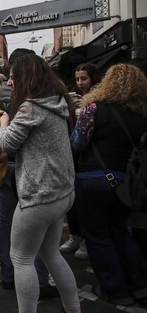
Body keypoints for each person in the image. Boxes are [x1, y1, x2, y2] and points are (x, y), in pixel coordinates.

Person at [0, 54, 81, 313]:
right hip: (62, 193)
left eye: (13, 77)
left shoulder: (30, 108)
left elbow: (7, 144)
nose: (10, 82)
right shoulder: (57, 102)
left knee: (21, 258)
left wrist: (2, 122)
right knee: (51, 254)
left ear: (25, 78)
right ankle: (73, 307)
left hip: (39, 195)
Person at [0, 49, 59, 299]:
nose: (10, 81)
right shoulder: (31, 100)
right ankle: (39, 283)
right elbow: (12, 140)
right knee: (35, 236)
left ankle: (7, 275)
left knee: (7, 223)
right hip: (25, 169)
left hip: (4, 167)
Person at [70, 63, 147, 306]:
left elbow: (77, 142)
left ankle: (115, 290)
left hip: (93, 180)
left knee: (97, 236)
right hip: (125, 183)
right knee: (120, 232)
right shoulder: (140, 116)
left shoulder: (94, 108)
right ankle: (141, 284)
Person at [60, 62, 100, 259]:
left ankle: (85, 239)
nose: (80, 82)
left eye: (83, 78)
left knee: (86, 202)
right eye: (77, 79)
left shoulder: (98, 100)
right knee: (73, 198)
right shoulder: (72, 98)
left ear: (93, 78)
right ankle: (75, 235)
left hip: (91, 157)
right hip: (73, 157)